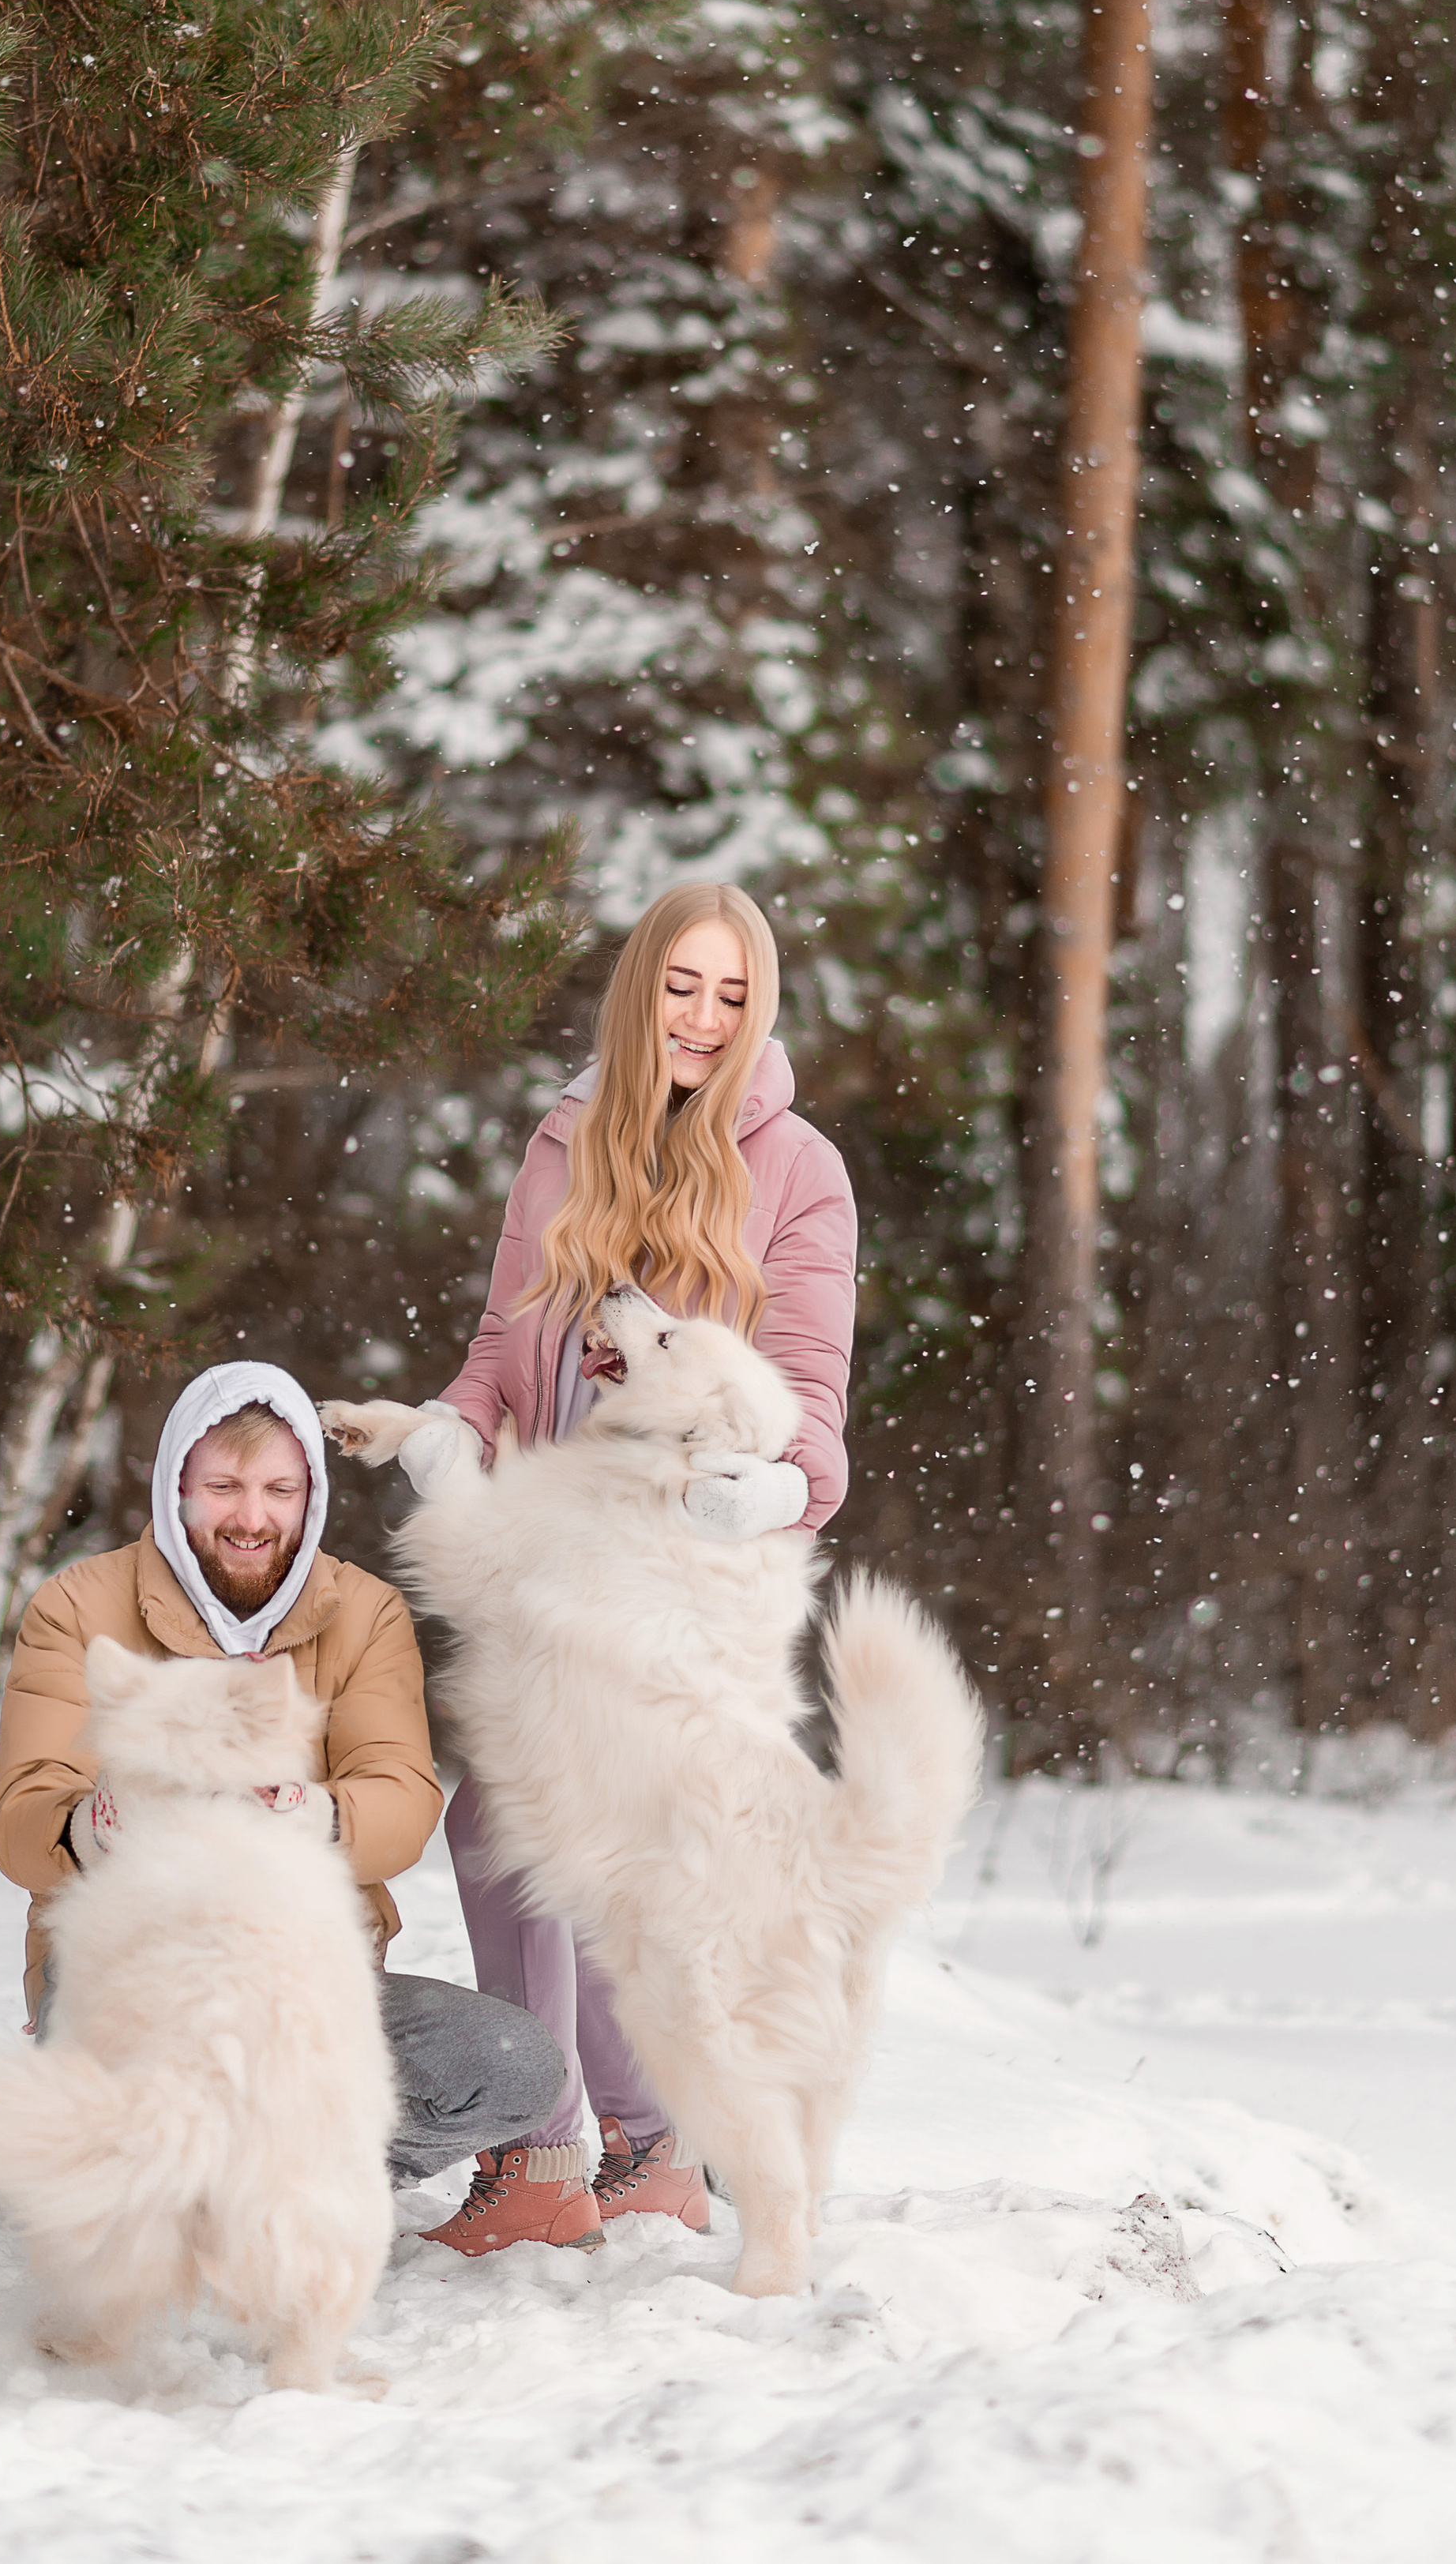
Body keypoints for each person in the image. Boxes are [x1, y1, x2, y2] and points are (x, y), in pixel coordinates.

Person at [397, 881, 859, 2257]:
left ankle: (648, 2147)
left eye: (733, 993)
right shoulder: (564, 1144)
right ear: (638, 987)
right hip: (555, 1564)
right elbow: (497, 1349)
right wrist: (449, 1429)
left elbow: (816, 1403)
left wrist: (775, 1487)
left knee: (611, 1855)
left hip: (680, 1585)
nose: (704, 1018)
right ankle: (545, 2155)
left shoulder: (797, 1169)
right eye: (682, 986)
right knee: (496, 1833)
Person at [0, 1359, 565, 2192]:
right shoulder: (79, 1606)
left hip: (308, 1976)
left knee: (510, 2067)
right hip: (125, 1971)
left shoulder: (363, 1612)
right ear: (177, 1484)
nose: (250, 1517)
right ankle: (145, 2170)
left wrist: (315, 1816)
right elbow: (21, 1820)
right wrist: (95, 1826)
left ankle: (280, 2179)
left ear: (312, 1494)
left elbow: (401, 1793)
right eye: (222, 1486)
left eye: (278, 1490)